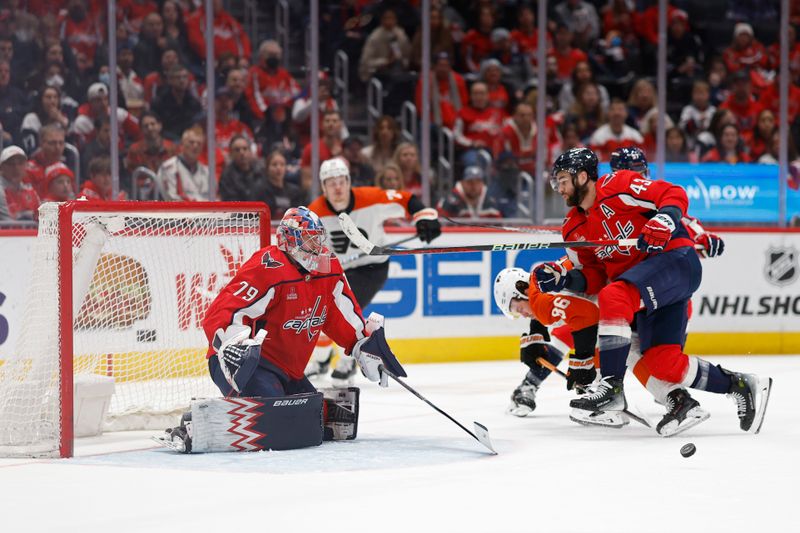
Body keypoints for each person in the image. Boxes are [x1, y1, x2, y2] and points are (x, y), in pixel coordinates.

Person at [538, 147, 771, 435]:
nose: (558, 188)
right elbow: (595, 276)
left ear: (583, 176)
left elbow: (672, 193)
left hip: (675, 263)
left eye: (562, 180)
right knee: (664, 364)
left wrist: (665, 218)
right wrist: (564, 280)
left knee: (614, 297)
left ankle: (611, 387)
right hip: (644, 291)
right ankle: (738, 384)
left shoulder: (616, 185)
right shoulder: (574, 227)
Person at [159, 206, 403, 453]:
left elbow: (344, 315)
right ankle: (197, 424)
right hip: (245, 364)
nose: (317, 246)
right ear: (290, 239)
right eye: (309, 239)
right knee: (276, 422)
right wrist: (232, 345)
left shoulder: (326, 268)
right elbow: (222, 312)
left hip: (288, 371)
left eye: (318, 238)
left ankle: (273, 412)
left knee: (311, 422)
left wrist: (364, 344)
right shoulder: (269, 266)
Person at [305, 157, 441, 387]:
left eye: (341, 181)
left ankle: (348, 361)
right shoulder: (314, 213)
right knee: (322, 309)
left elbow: (407, 200)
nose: (337, 187)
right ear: (323, 187)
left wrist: (425, 218)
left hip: (372, 267)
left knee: (348, 309)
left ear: (349, 181)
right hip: (339, 272)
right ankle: (321, 359)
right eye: (331, 183)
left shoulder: (370, 198)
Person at [156, 126, 209, 201]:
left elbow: (213, 198)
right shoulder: (168, 168)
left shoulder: (207, 172)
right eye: (191, 142)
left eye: (199, 144)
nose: (195, 146)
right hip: (178, 212)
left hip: (206, 212)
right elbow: (171, 199)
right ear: (182, 144)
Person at [255, 149, 305, 220]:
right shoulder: (260, 189)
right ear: (267, 168)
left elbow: (299, 216)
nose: (278, 168)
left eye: (282, 164)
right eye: (274, 164)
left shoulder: (294, 191)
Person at [437, 165, 502, 219]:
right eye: (470, 182)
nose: (474, 186)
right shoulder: (450, 201)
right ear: (462, 183)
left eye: (478, 182)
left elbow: (499, 228)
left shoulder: (490, 200)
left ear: (482, 183)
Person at [218, 135, 267, 201]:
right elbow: (230, 202)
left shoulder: (260, 171)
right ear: (231, 154)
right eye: (237, 150)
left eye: (245, 149)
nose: (242, 152)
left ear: (250, 151)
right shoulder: (226, 177)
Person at [0, 145, 38, 220]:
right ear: (1, 167)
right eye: (11, 164)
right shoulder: (1, 190)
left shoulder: (30, 190)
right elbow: (8, 224)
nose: (16, 168)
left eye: (20, 163)